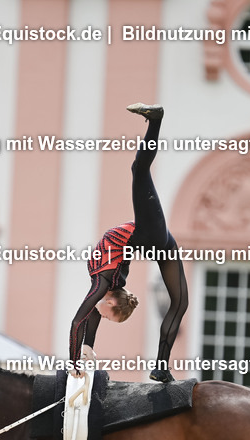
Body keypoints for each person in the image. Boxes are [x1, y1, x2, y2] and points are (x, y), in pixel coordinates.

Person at [69, 103, 188, 383]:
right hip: (155, 239)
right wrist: (81, 355)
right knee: (179, 303)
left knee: (139, 168)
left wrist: (80, 355)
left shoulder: (103, 286)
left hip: (151, 238)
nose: (105, 319)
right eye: (112, 317)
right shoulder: (105, 286)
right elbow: (84, 323)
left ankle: (161, 368)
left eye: (109, 318)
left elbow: (83, 322)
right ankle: (161, 367)